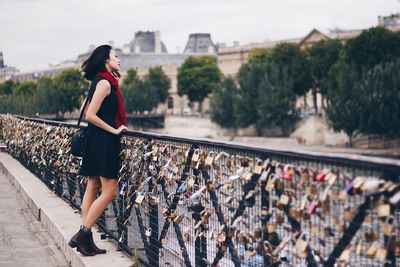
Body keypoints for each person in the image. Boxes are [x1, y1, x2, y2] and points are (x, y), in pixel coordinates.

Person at [68, 45, 128, 256]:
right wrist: (114, 129)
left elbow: (88, 110)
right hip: (104, 141)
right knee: (110, 191)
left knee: (92, 186)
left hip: (95, 140)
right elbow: (90, 115)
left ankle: (87, 241)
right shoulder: (105, 82)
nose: (119, 59)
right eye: (115, 56)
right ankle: (83, 234)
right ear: (105, 60)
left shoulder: (98, 80)